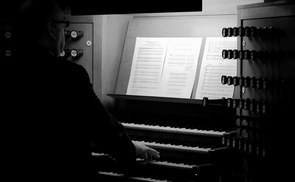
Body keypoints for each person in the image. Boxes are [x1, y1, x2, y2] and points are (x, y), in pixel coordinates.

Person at [1, 0, 159, 181]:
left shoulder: (6, 71)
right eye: (63, 25)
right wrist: (130, 150)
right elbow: (101, 128)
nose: (65, 33)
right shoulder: (67, 74)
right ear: (52, 29)